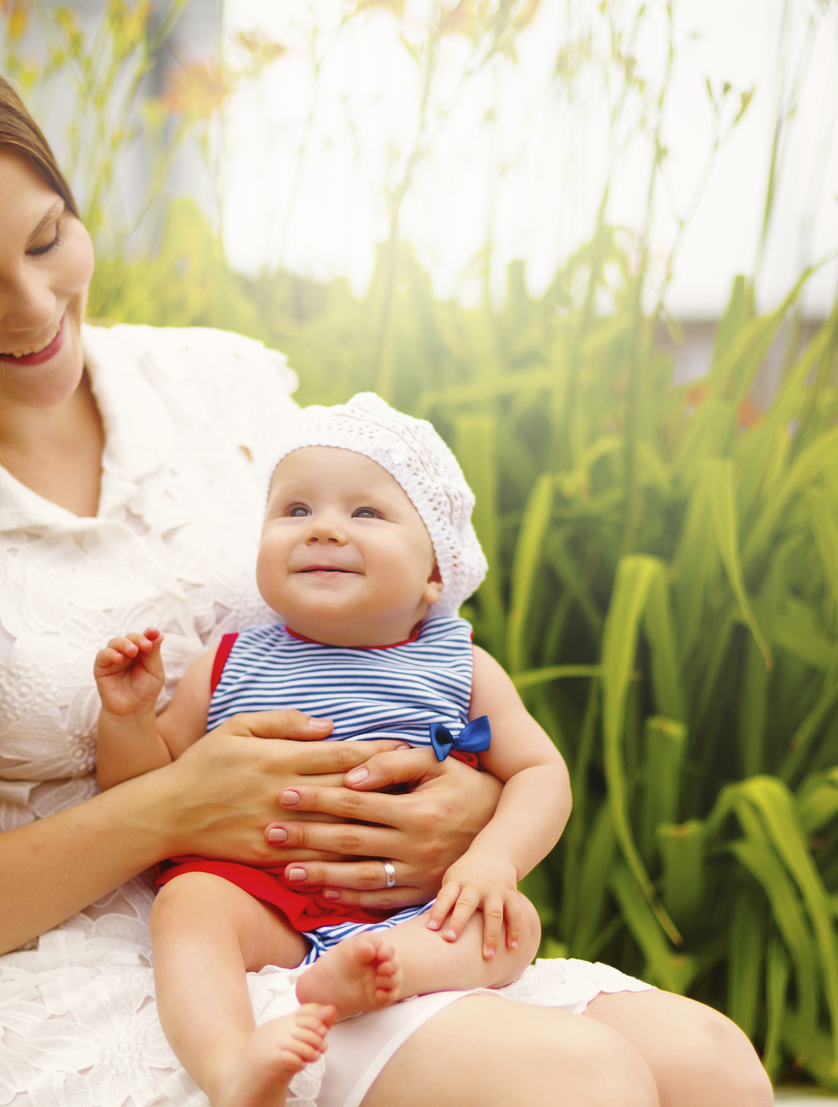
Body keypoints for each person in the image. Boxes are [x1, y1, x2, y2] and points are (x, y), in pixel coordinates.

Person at [0, 28, 774, 1107]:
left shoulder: (221, 393)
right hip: (65, 978)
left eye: (46, 240)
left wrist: (458, 806)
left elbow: (389, 638)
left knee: (710, 1069)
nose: (37, 311)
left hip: (327, 925)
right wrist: (173, 809)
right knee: (573, 1085)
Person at [93, 393, 579, 1107]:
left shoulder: (460, 662)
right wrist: (130, 719)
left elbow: (540, 772)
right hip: (261, 893)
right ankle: (230, 1064)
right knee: (189, 905)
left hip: (415, 903)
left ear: (434, 573)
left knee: (512, 926)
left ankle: (379, 969)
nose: (322, 529)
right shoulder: (230, 658)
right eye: (294, 510)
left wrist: (491, 860)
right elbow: (143, 792)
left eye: (365, 512)